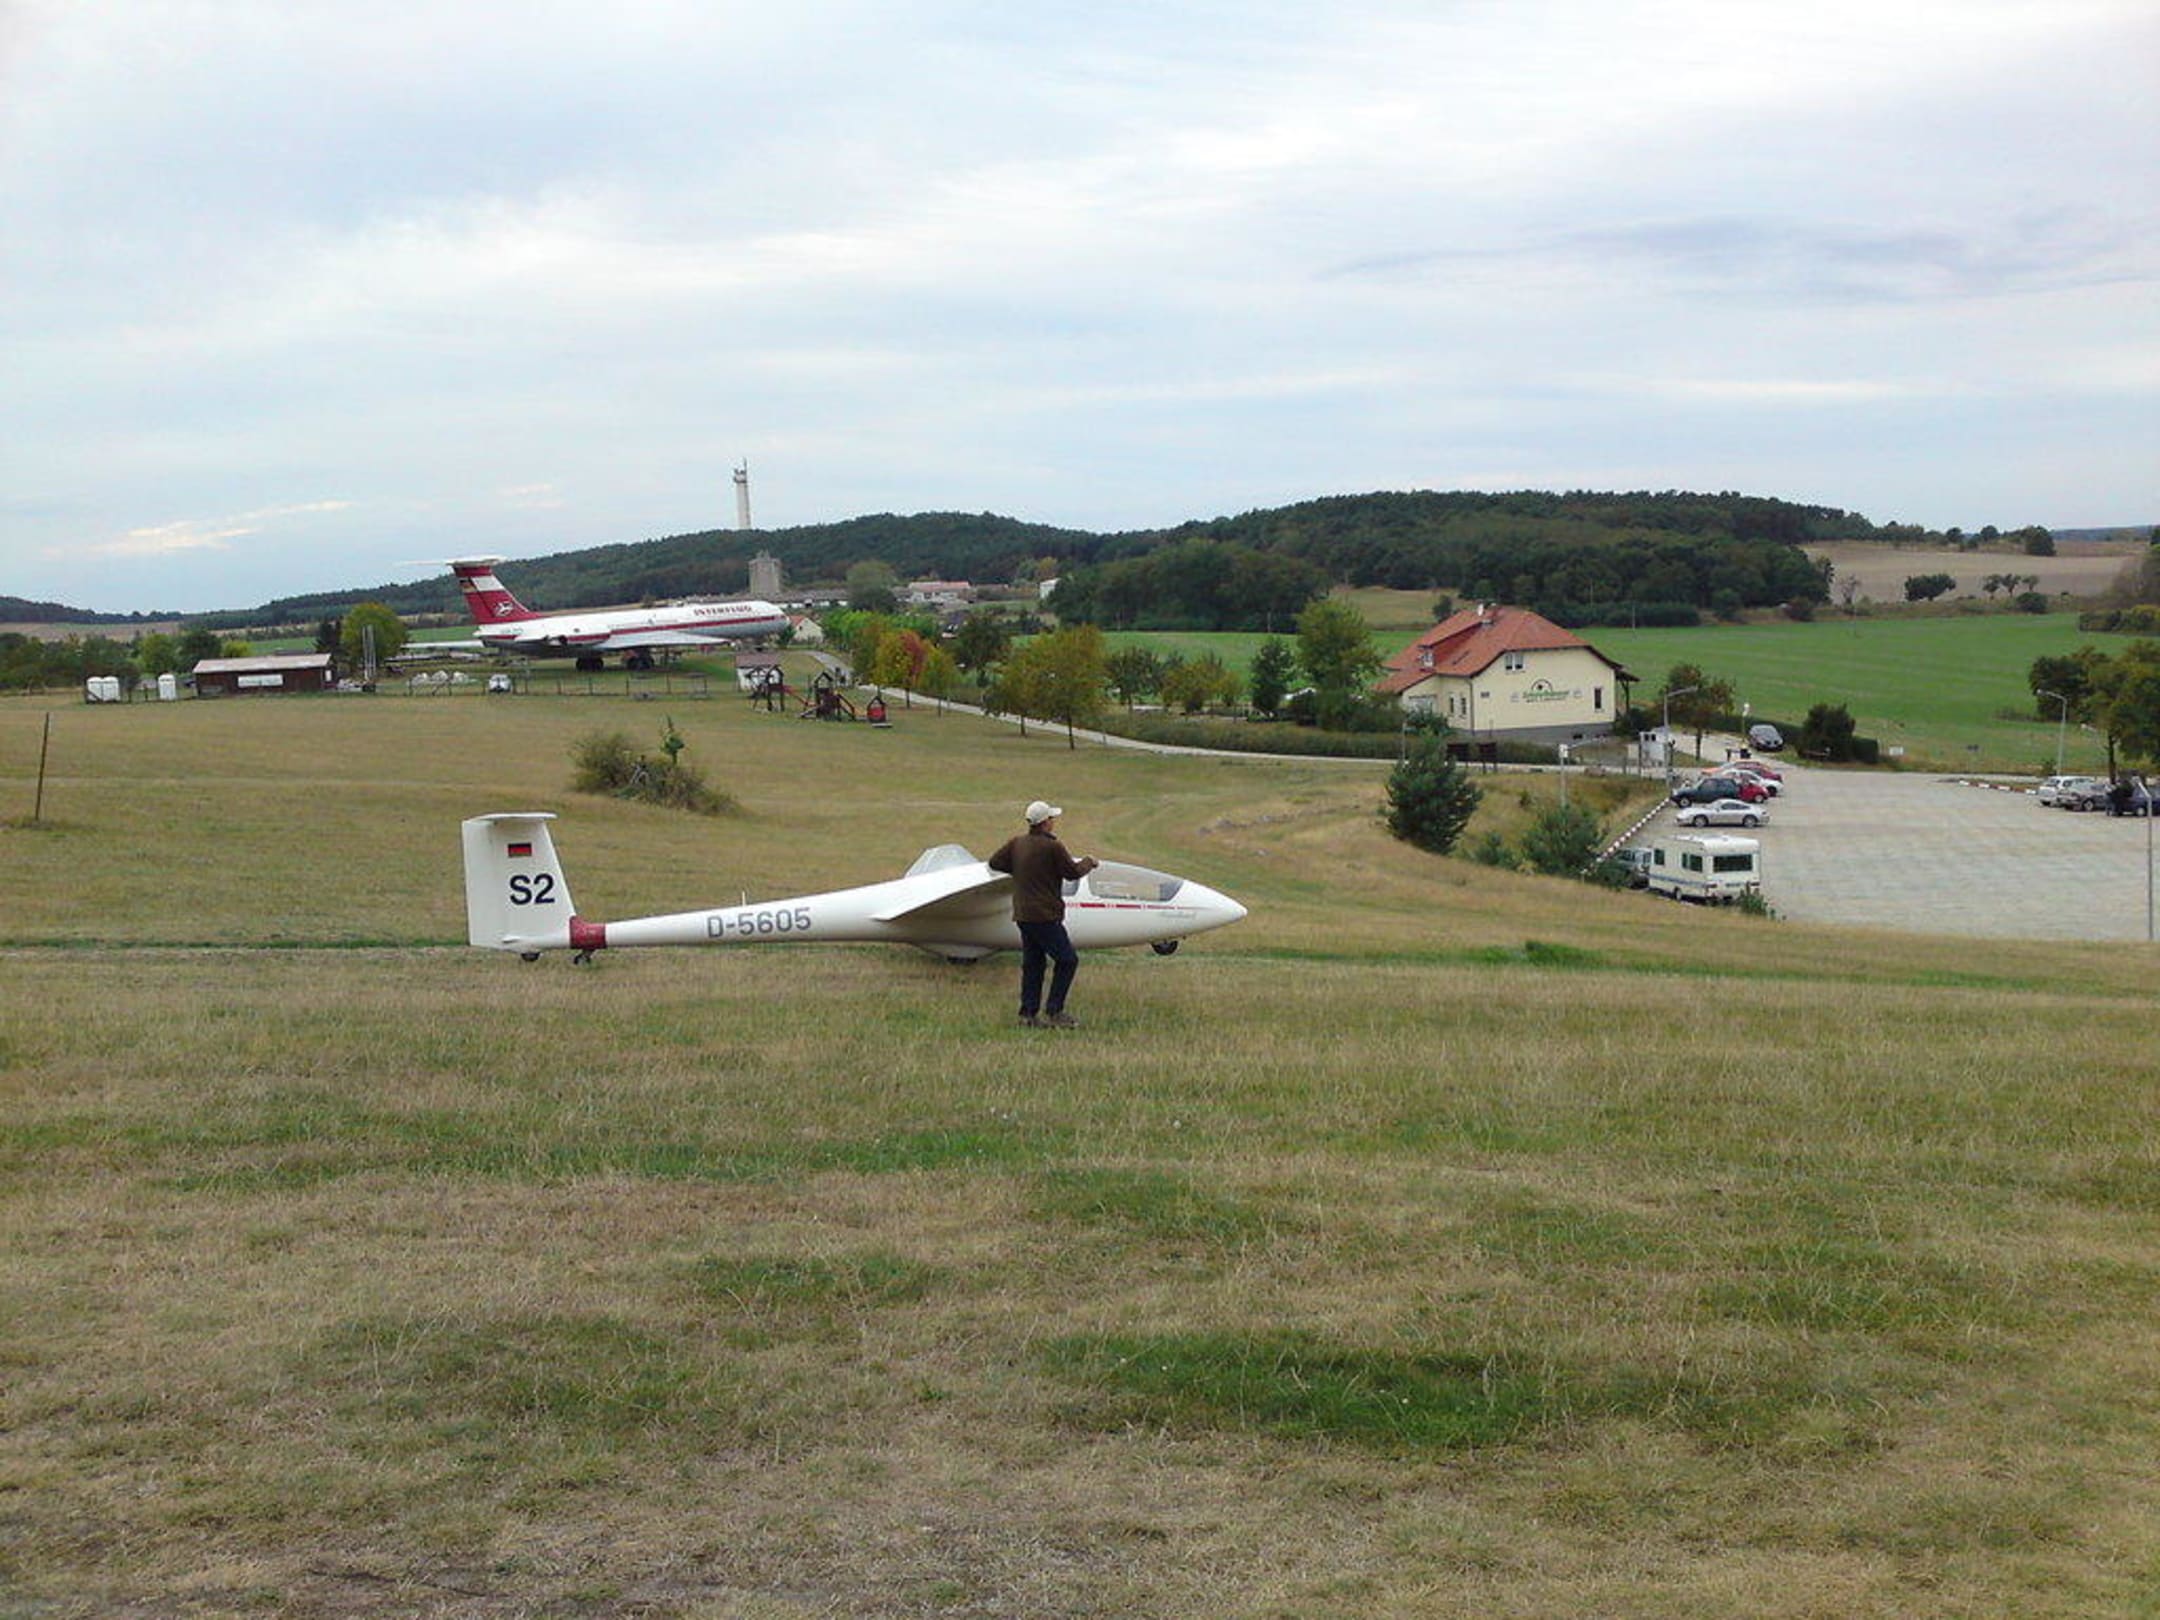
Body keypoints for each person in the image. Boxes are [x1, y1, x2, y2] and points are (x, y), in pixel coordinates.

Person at [986, 799, 1098, 1028]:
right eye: (1051, 818)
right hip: (1045, 915)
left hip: (1023, 915)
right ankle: (1055, 1012)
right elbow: (1072, 873)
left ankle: (1028, 1015)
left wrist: (1020, 870)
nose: (1053, 822)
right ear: (1045, 822)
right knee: (1067, 960)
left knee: (1034, 964)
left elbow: (995, 862)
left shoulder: (1017, 843)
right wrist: (1089, 862)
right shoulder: (1052, 847)